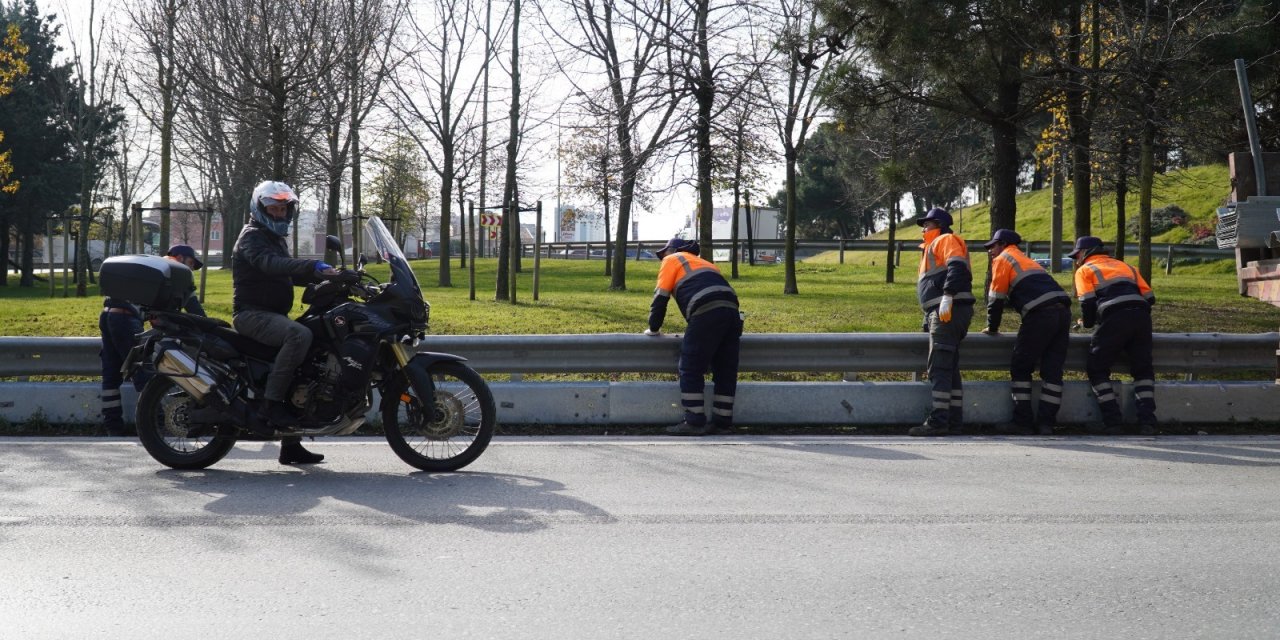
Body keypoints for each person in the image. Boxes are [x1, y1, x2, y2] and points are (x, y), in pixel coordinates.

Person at [232, 180, 336, 464]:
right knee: (299, 336)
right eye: (274, 208)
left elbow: (287, 274)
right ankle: (271, 405)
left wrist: (329, 276)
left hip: (272, 315)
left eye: (283, 209)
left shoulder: (273, 238)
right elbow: (270, 264)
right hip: (250, 315)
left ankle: (291, 445)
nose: (279, 214)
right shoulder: (252, 236)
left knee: (311, 354)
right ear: (261, 208)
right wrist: (311, 265)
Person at [99, 245, 206, 436]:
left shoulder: (152, 268)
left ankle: (113, 427)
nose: (191, 270)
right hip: (126, 320)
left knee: (111, 374)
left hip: (108, 316)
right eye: (191, 263)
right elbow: (194, 309)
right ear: (179, 257)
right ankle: (155, 425)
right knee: (144, 372)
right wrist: (207, 329)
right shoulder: (175, 273)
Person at [644, 236, 744, 436]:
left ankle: (695, 421)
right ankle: (722, 423)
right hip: (732, 311)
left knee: (690, 365)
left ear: (672, 250)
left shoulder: (672, 260)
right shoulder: (707, 264)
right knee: (725, 368)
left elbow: (660, 299)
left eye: (664, 253)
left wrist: (653, 328)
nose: (662, 258)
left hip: (706, 310)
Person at [980, 229, 1072, 435]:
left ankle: (1022, 421)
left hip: (1040, 315)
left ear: (1003, 244)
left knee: (1021, 365)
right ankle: (1046, 423)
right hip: (1063, 312)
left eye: (992, 246)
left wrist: (992, 327)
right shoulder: (1026, 260)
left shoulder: (1004, 259)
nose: (990, 251)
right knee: (1053, 370)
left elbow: (996, 299)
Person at [1069, 235, 1157, 435]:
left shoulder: (1085, 270)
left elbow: (1087, 302)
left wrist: (1089, 323)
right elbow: (1150, 298)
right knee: (1143, 370)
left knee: (1097, 368)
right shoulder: (1127, 267)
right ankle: (1147, 423)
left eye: (1077, 255)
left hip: (1114, 318)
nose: (1076, 260)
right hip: (1141, 316)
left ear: (1085, 253)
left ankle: (1112, 422)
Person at [909, 207, 974, 437]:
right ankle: (954, 421)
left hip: (948, 311)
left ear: (938, 224)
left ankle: (938, 422)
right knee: (949, 367)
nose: (923, 229)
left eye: (926, 224)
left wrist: (947, 296)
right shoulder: (931, 247)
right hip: (943, 311)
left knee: (939, 367)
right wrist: (928, 315)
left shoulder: (945, 239)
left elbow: (957, 268)